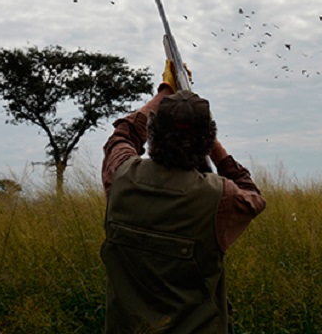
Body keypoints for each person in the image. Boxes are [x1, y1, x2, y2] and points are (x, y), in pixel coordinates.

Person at [101, 61, 266, 333]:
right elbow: (253, 196)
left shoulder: (121, 177)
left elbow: (123, 134)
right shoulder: (219, 196)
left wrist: (166, 90)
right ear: (206, 139)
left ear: (153, 134)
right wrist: (213, 144)